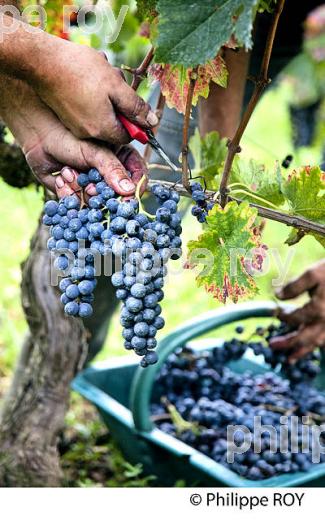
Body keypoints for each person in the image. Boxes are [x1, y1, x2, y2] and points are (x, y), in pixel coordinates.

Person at [0, 1, 323, 362]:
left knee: (136, 216)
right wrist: (37, 69)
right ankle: (66, 356)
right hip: (206, 17)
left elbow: (229, 20)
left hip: (270, 21)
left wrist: (220, 170)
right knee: (119, 221)